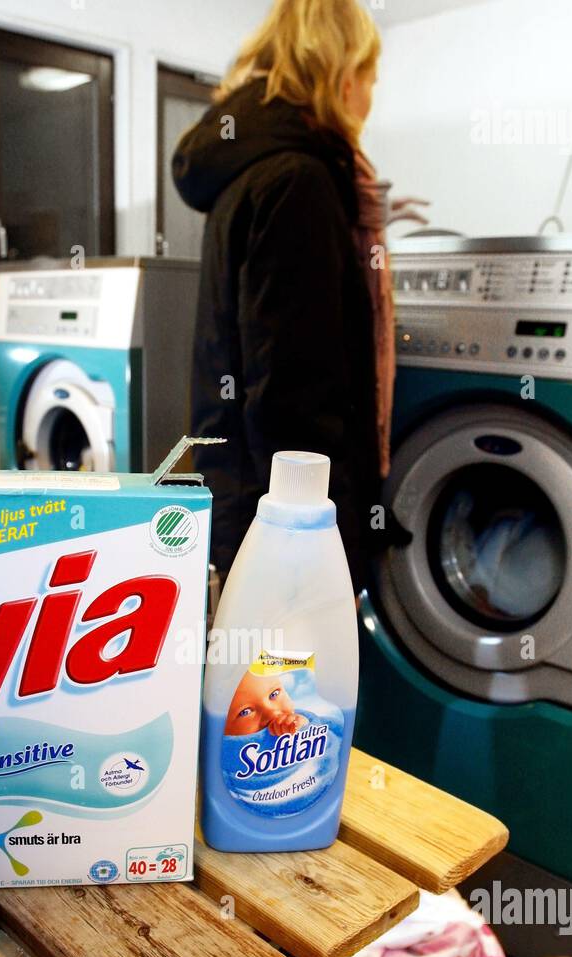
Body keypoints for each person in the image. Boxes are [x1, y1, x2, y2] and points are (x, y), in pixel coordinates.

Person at [173, 0, 426, 593]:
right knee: (293, 681)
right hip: (289, 525)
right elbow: (295, 396)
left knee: (264, 681)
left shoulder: (251, 171)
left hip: (246, 498)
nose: (369, 97)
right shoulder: (298, 182)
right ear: (341, 73)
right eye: (370, 77)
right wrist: (320, 546)